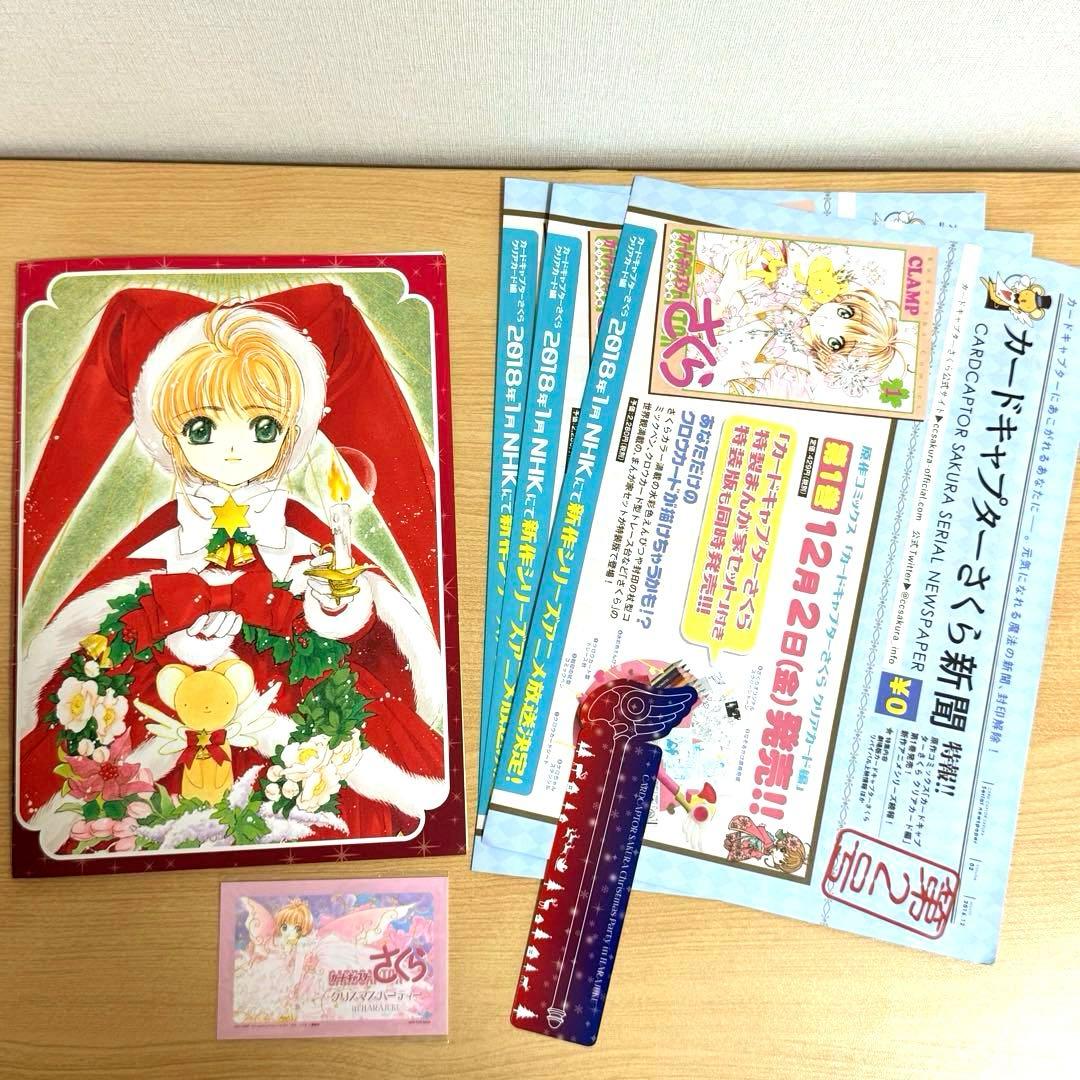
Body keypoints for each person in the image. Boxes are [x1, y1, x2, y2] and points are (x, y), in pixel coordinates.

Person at [17, 285, 448, 858]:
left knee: (324, 802)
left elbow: (374, 633)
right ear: (166, 435)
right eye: (202, 428)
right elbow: (105, 630)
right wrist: (174, 639)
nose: (233, 450)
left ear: (292, 432)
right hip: (171, 716)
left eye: (263, 427)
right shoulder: (152, 546)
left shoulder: (305, 535)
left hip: (298, 715)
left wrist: (339, 611)